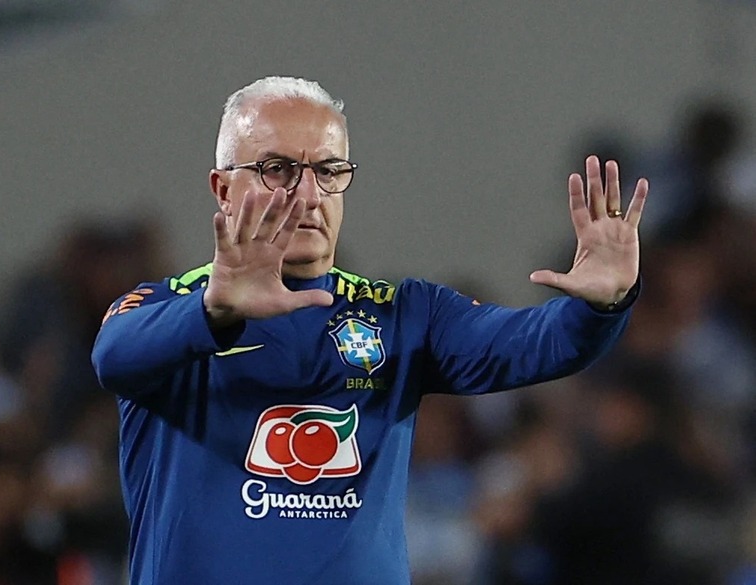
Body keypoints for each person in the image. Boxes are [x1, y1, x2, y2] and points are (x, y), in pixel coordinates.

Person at [91, 76, 648, 585]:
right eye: (278, 169)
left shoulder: (402, 316)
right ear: (222, 189)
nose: (308, 195)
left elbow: (536, 345)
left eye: (328, 171)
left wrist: (600, 304)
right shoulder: (170, 309)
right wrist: (214, 310)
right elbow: (112, 356)